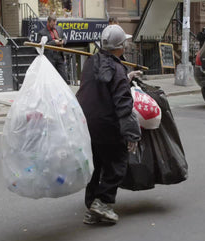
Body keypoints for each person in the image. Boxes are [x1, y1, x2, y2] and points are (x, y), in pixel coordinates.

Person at [76, 25, 141, 225]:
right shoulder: (117, 69)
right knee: (117, 164)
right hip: (108, 125)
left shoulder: (91, 62)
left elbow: (100, 84)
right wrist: (131, 134)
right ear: (120, 46)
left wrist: (126, 78)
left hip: (88, 123)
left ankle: (92, 207)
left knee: (96, 166)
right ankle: (103, 202)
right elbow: (123, 104)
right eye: (126, 42)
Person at [38, 15, 69, 83]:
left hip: (60, 55)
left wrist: (63, 41)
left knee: (64, 78)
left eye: (55, 24)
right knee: (52, 79)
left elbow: (64, 38)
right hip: (50, 57)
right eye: (52, 24)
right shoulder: (42, 33)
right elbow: (41, 46)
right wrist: (54, 42)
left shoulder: (59, 29)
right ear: (48, 22)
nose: (54, 26)